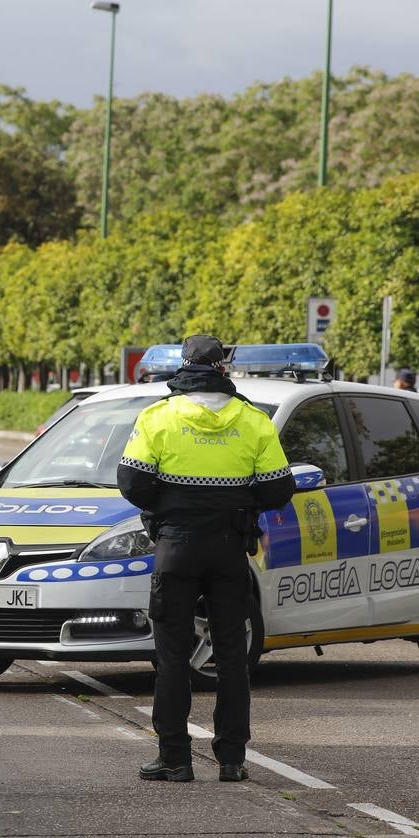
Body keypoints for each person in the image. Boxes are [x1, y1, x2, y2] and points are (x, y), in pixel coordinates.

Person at [117, 335, 294, 783]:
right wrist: (237, 503)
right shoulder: (252, 420)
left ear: (184, 365)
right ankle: (232, 760)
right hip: (230, 549)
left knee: (172, 655)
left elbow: (131, 482)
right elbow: (278, 488)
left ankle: (174, 758)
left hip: (176, 546)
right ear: (223, 367)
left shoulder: (160, 416)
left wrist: (171, 504)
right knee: (232, 655)